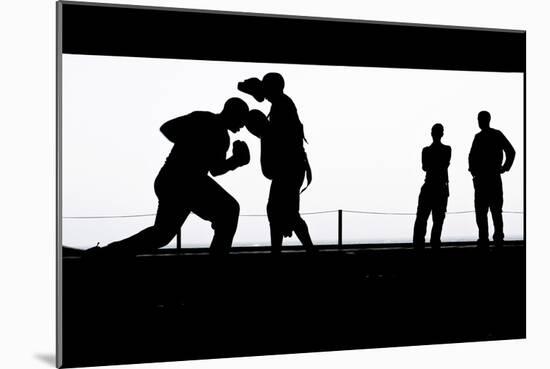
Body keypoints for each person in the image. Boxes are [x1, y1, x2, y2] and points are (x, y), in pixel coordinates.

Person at [87, 97, 251, 257]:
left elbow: (215, 169)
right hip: (183, 180)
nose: (243, 125)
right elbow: (167, 128)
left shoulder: (221, 135)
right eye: (242, 119)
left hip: (178, 180)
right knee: (229, 210)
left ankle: (105, 254)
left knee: (162, 234)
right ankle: (217, 262)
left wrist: (235, 161)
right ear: (233, 113)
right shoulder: (205, 120)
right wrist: (194, 149)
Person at [239, 73, 315, 253]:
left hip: (288, 169)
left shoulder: (282, 106)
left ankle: (291, 252)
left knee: (280, 212)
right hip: (290, 168)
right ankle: (296, 251)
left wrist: (261, 130)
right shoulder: (281, 104)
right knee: (281, 212)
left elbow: (280, 138)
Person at [468, 110, 515, 248]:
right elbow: (511, 152)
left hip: (485, 180)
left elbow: (471, 157)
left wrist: (504, 167)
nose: (478, 122)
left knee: (484, 211)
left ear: (484, 120)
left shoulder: (481, 137)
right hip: (492, 178)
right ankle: (496, 238)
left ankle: (485, 239)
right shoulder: (495, 135)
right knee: (494, 211)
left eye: (479, 119)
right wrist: (504, 167)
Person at [412, 123, 451, 249]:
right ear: (442, 134)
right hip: (440, 188)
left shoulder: (426, 151)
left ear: (432, 134)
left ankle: (419, 245)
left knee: (422, 219)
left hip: (429, 186)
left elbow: (425, 167)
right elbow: (444, 164)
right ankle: (434, 244)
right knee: (438, 220)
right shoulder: (447, 150)